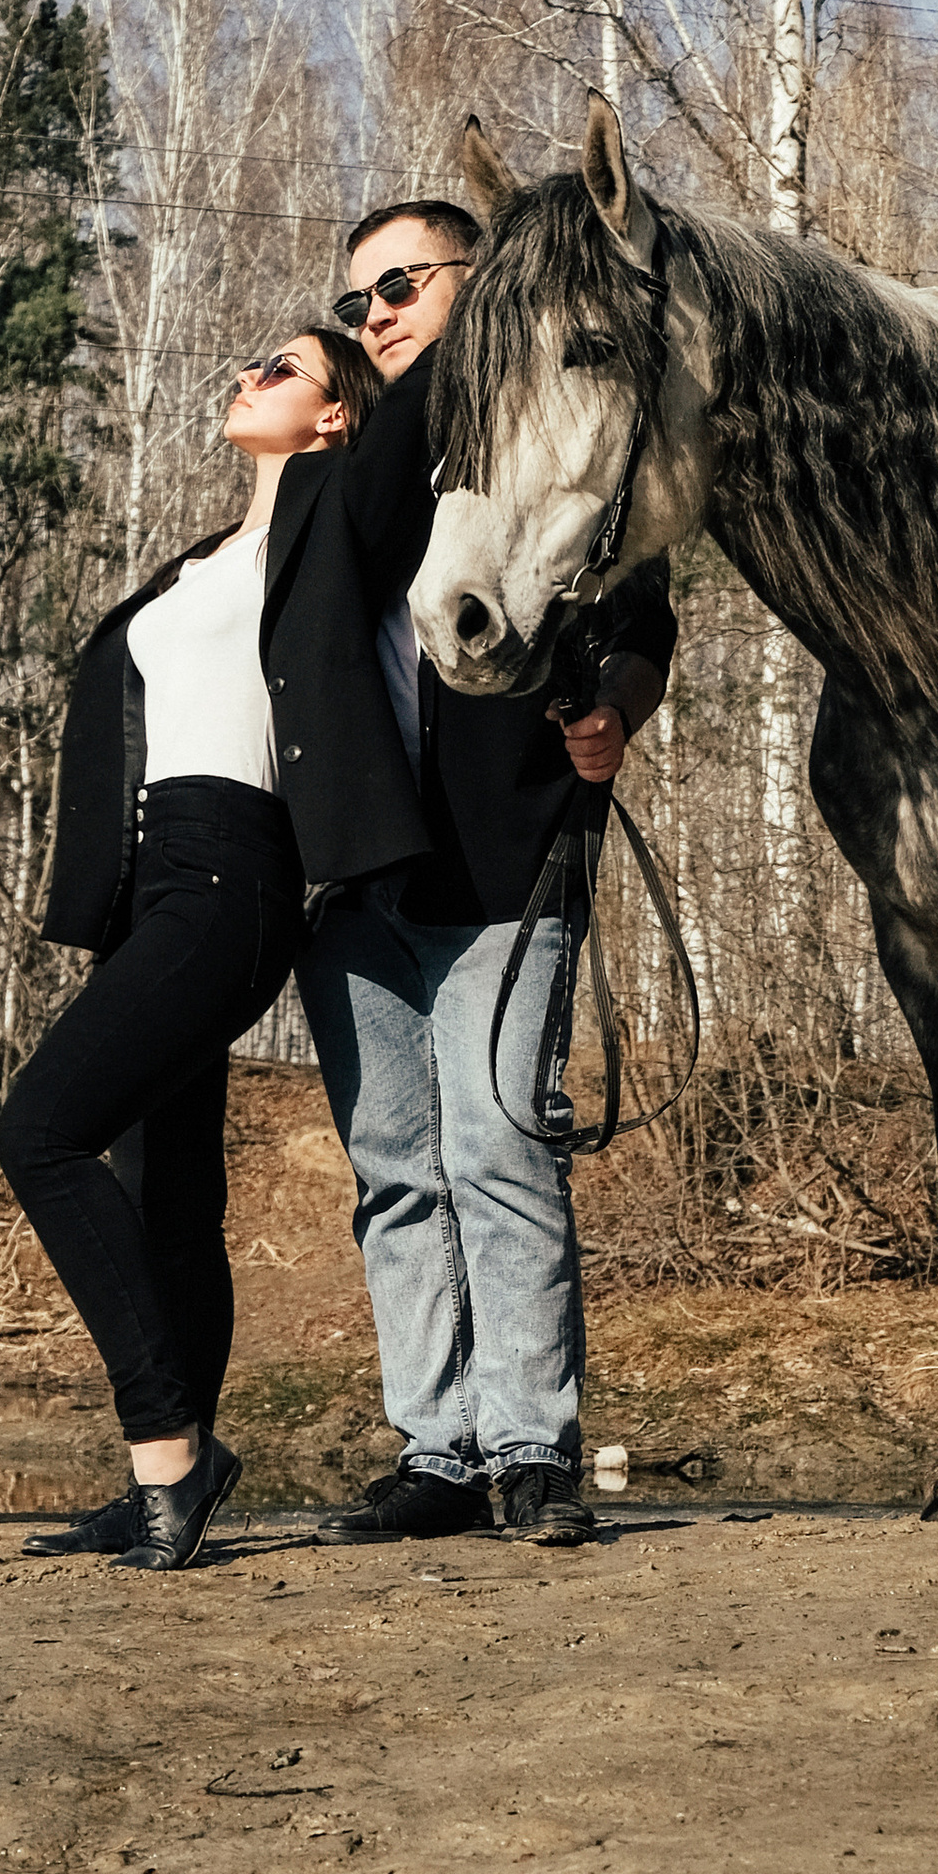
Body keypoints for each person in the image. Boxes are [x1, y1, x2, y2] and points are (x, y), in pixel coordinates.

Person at [0, 326, 426, 1571]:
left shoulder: (342, 513)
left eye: (280, 368)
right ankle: (162, 1484)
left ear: (339, 416)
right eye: (248, 363)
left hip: (238, 874)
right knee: (168, 1193)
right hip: (153, 879)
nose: (247, 376)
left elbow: (421, 422)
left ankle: (171, 1454)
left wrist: (414, 311)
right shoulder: (201, 563)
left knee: (40, 1132)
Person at [296, 196, 679, 1549]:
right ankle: (437, 1450)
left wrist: (612, 713)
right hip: (351, 890)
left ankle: (532, 1451)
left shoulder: (554, 454)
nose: (376, 316)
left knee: (504, 1151)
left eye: (399, 286)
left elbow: (646, 626)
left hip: (504, 875)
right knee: (396, 1171)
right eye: (358, 303)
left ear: (479, 282)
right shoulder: (345, 466)